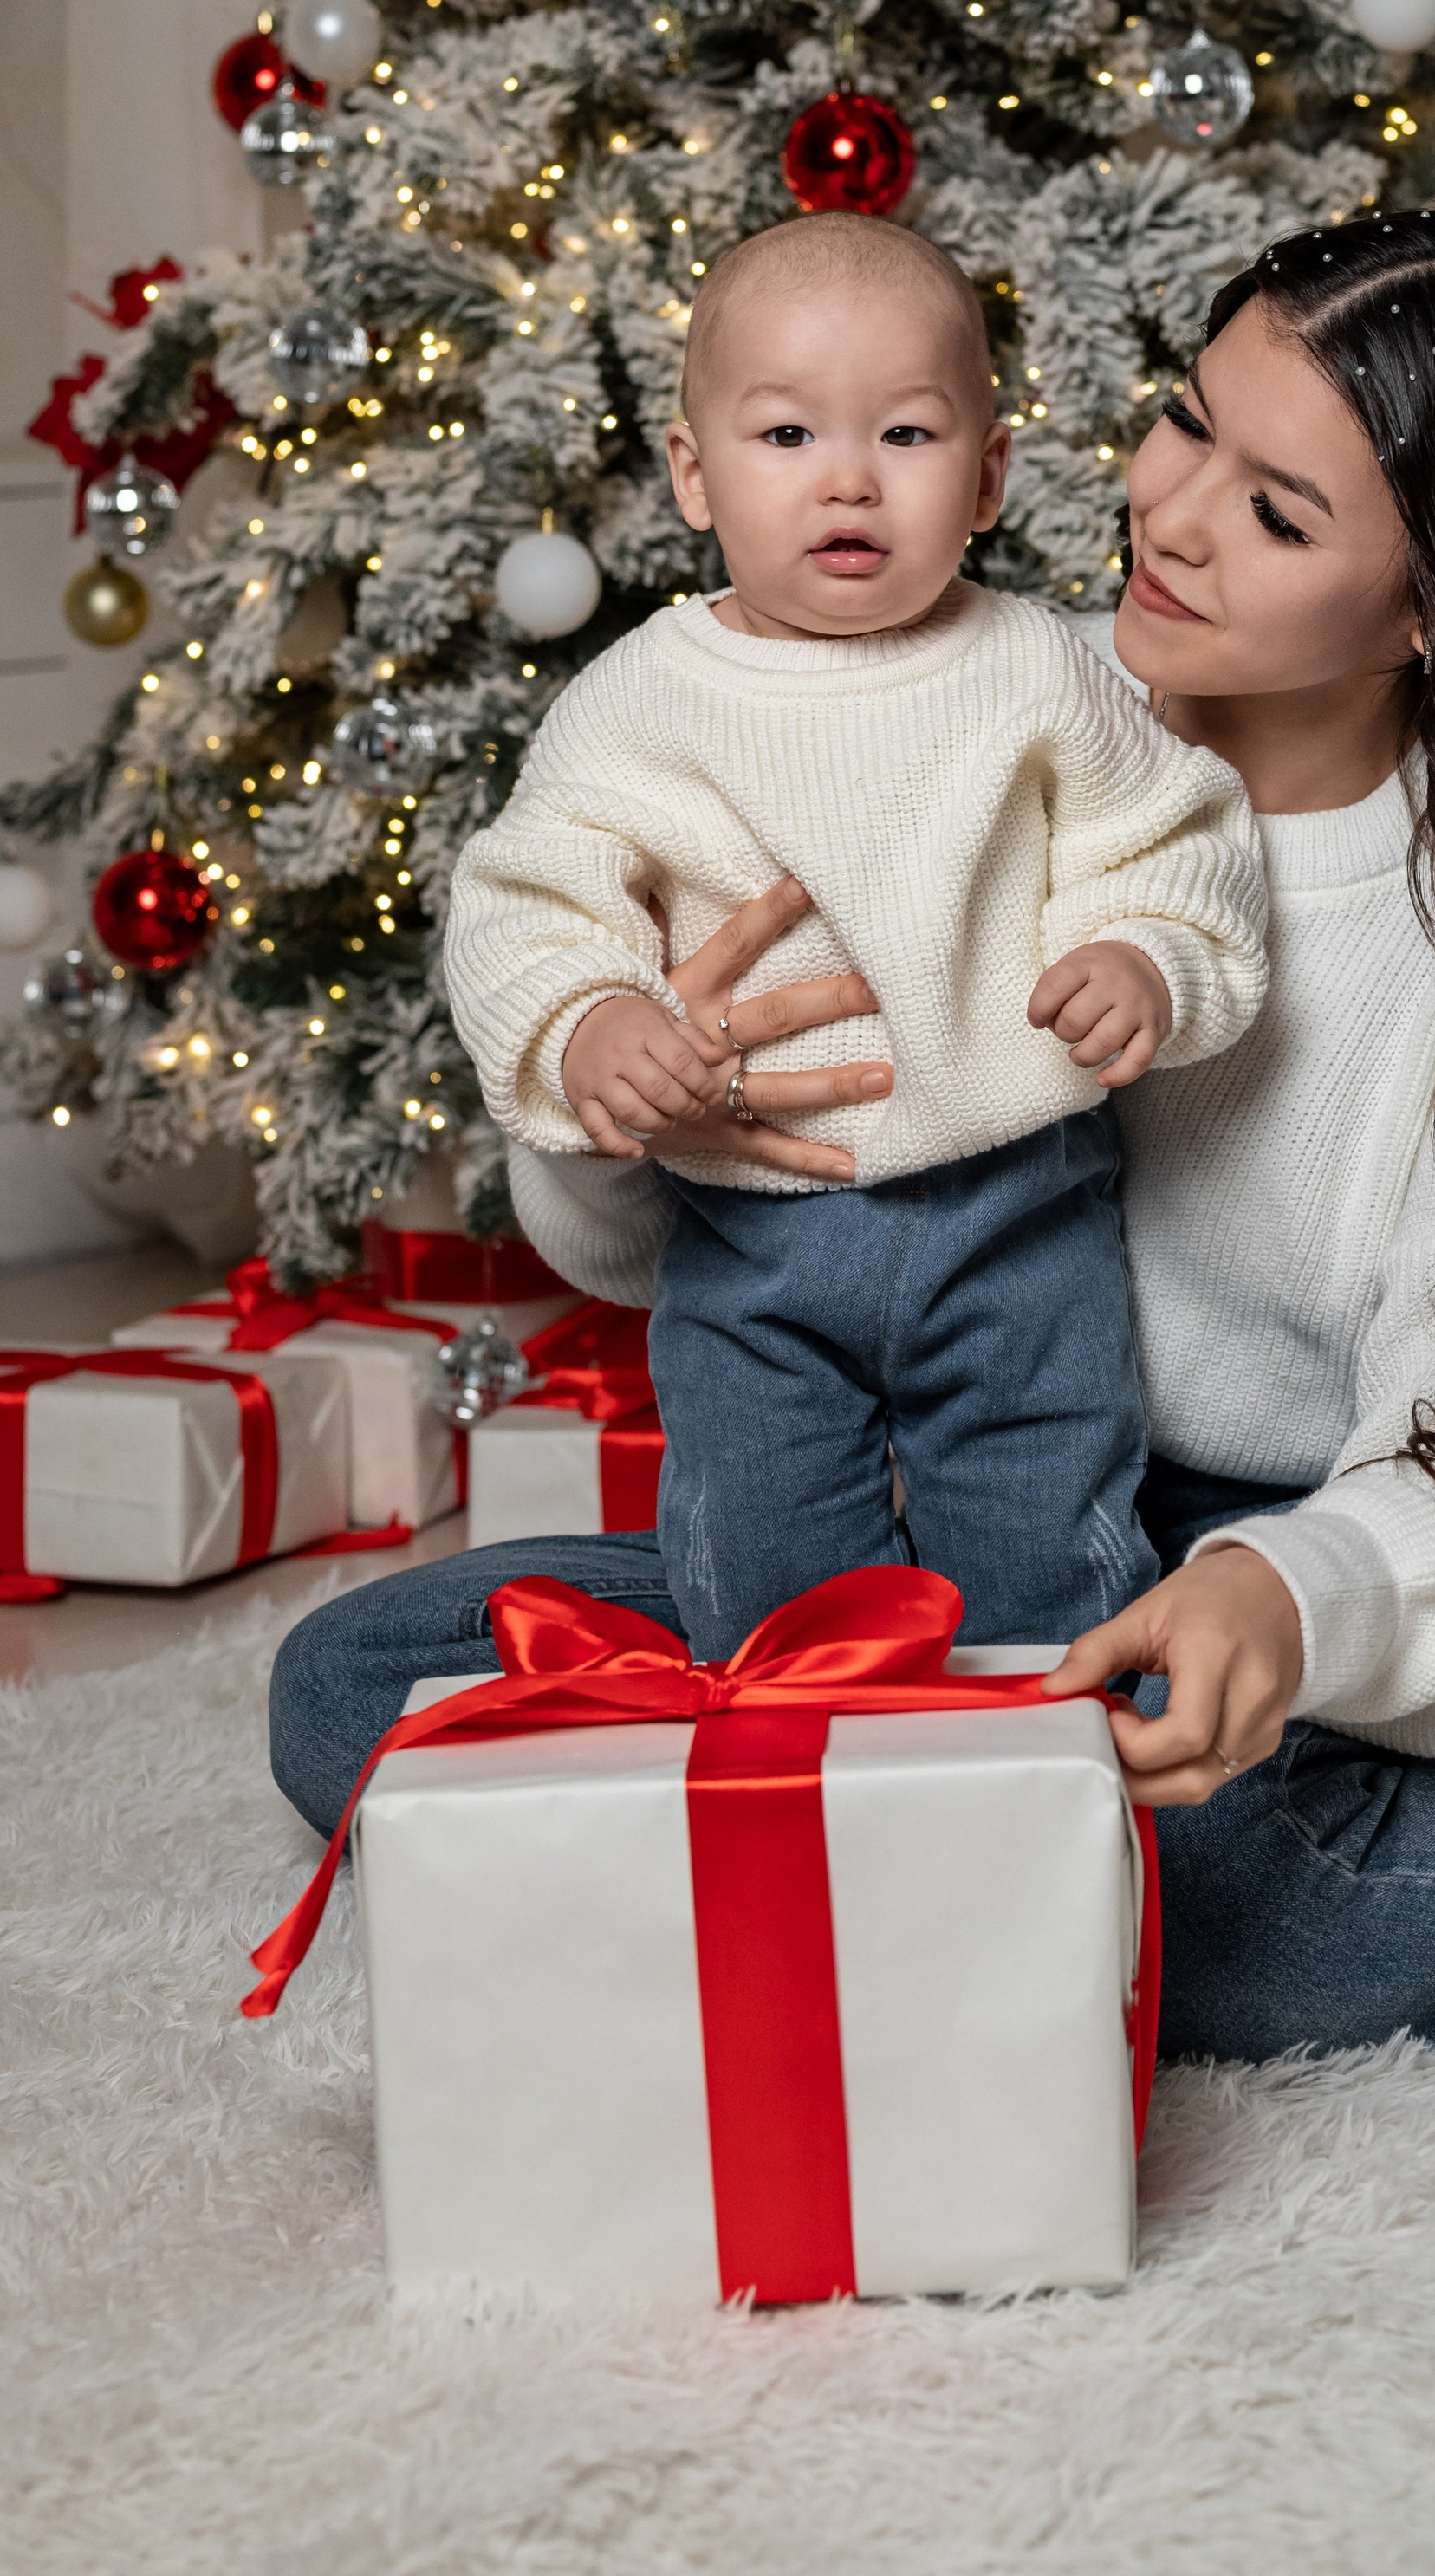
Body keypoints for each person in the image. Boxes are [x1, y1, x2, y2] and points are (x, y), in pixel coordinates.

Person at [270, 210, 1435, 2060]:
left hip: (1306, 1551)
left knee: (1182, 1885)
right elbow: (651, 1250)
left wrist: (1287, 1595)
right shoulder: (975, 698)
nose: (1171, 517)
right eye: (1186, 420)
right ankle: (881, 1860)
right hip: (946, 1509)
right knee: (374, 1685)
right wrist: (640, 1102)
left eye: (1275, 512)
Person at [439, 210, 1266, 1659]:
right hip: (750, 1230)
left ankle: (1052, 1746)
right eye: (784, 436)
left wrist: (1148, 956)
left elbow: (1170, 836)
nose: (847, 479)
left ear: (988, 474)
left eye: (905, 433)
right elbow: (528, 896)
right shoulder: (637, 700)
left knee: (1050, 1542)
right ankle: (812, 1745)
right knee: (763, 1571)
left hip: (1018, 1212)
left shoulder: (1037, 667)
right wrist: (588, 1021)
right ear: (693, 473)